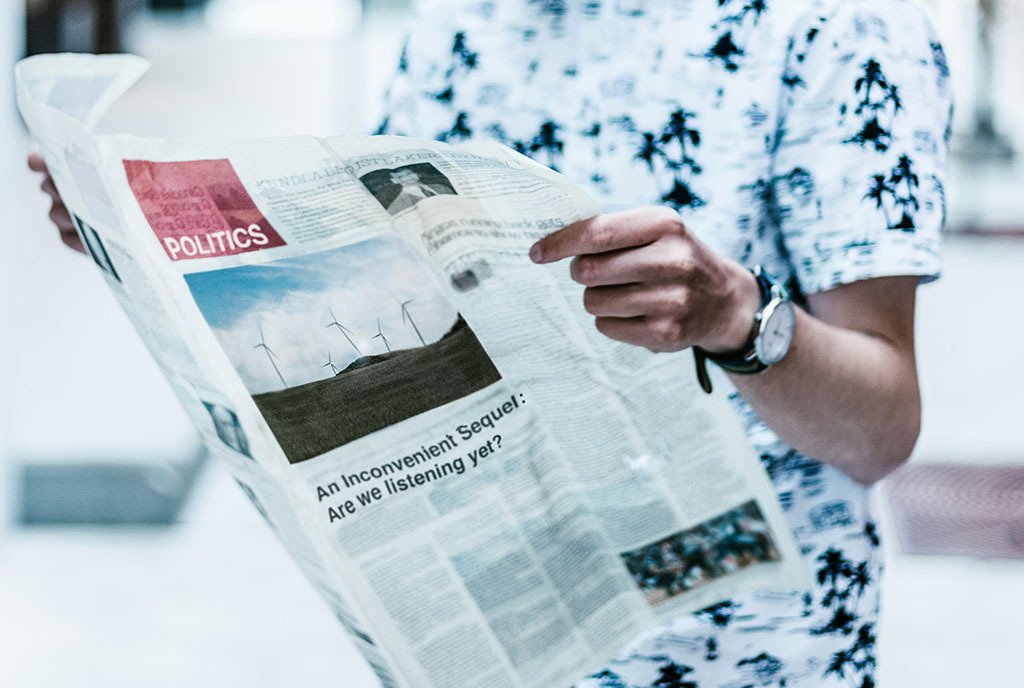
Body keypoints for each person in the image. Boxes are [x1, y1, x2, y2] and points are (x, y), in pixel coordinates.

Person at [30, 0, 952, 684]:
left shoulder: (842, 29)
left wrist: (738, 321)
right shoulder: (461, 25)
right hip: (504, 641)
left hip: (744, 653)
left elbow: (882, 429)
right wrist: (145, 246)